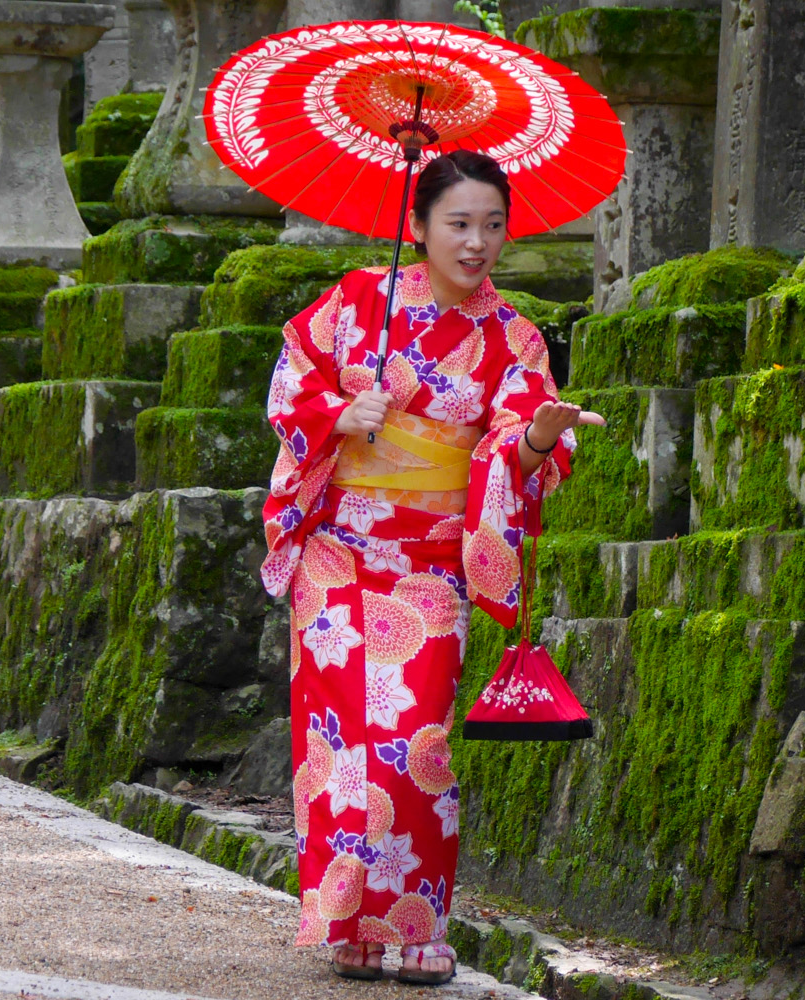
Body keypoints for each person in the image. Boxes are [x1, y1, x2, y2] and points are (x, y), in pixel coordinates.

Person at [258, 150, 604, 985]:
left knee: (418, 740)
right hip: (339, 552)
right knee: (344, 744)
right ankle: (350, 926)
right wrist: (344, 411)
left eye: (493, 224)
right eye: (458, 223)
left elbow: (511, 442)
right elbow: (288, 393)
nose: (477, 242)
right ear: (416, 228)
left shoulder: (513, 334)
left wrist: (539, 438)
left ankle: (415, 922)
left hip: (432, 562)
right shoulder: (354, 303)